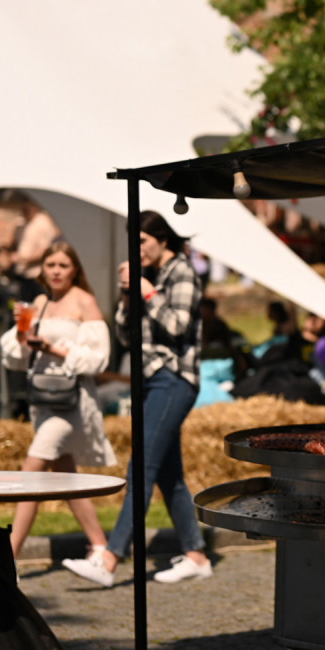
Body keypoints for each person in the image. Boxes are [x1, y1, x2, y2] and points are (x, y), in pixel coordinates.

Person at [62, 210, 209, 587]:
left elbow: (178, 326)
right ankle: (195, 554)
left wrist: (147, 292)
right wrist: (129, 296)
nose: (138, 248)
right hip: (149, 379)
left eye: (143, 241)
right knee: (168, 474)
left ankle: (109, 559)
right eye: (135, 242)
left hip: (174, 377)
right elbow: (127, 338)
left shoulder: (182, 272)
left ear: (163, 240)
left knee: (140, 467)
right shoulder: (152, 277)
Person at [0, 240, 116, 560]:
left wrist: (52, 348)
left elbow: (99, 359)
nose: (56, 272)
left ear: (75, 269)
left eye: (63, 265)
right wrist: (24, 336)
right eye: (51, 265)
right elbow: (17, 355)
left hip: (72, 401)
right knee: (65, 476)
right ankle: (101, 547)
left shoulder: (85, 302)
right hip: (43, 398)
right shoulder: (40, 302)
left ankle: (9, 556)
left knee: (32, 472)